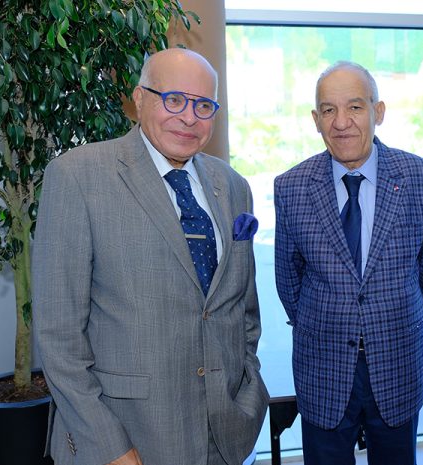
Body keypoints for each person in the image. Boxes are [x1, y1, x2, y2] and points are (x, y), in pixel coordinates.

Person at [32, 48, 268, 465]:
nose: (189, 117)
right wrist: (108, 445)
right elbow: (59, 337)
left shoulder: (232, 185)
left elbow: (242, 311)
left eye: (204, 105)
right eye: (174, 100)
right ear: (140, 99)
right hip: (127, 438)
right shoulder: (77, 176)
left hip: (226, 434)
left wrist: (248, 388)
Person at [274, 61, 423, 465]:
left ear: (377, 112)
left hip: (398, 359)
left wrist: (389, 317)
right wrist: (331, 322)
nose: (341, 122)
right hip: (323, 366)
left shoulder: (421, 178)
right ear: (316, 120)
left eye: (354, 107)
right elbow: (288, 279)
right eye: (328, 110)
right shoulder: (291, 186)